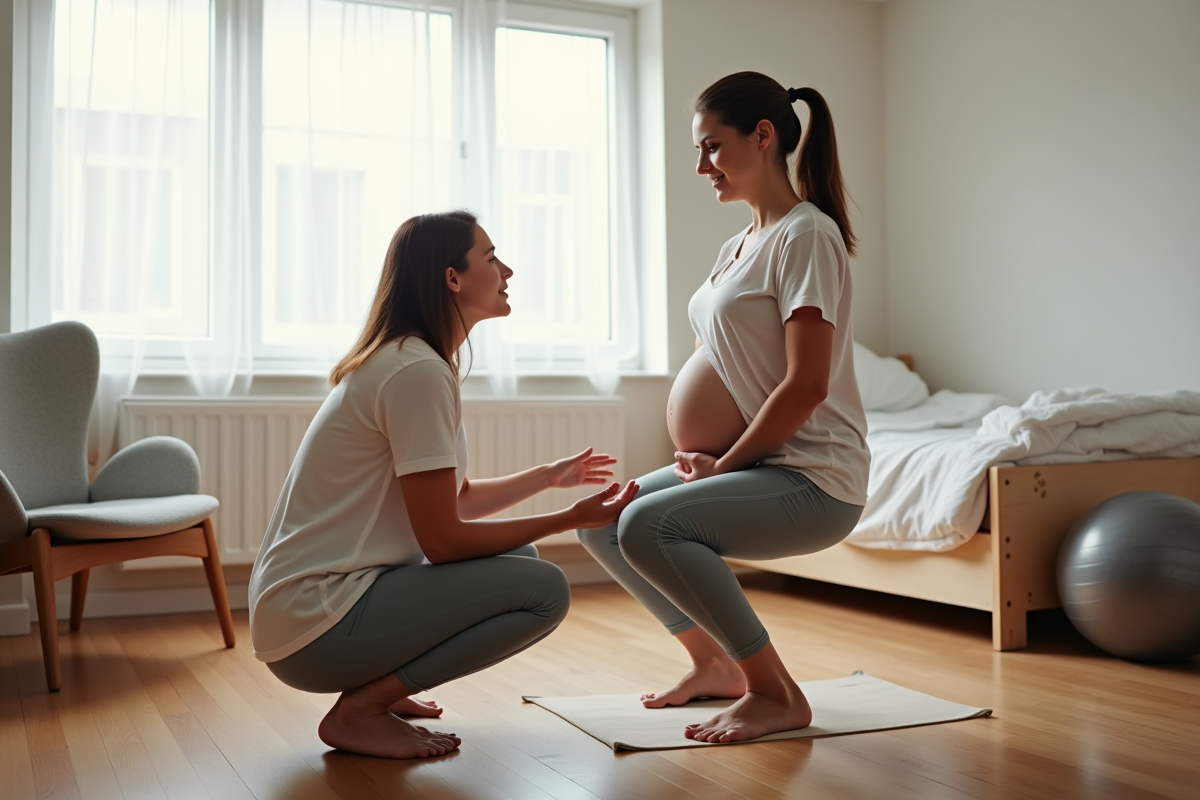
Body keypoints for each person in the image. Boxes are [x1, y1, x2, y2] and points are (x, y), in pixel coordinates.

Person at [249, 210, 639, 760]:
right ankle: (362, 707)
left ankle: (379, 687)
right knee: (545, 591)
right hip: (316, 625)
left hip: (312, 612)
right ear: (452, 278)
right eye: (490, 257)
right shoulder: (415, 372)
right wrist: (571, 518)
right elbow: (444, 541)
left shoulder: (413, 361)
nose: (507, 270)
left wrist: (550, 479)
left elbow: (452, 502)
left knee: (521, 559)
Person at [578, 73, 869, 744]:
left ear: (762, 136)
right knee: (603, 518)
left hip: (813, 475)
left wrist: (725, 465)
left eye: (712, 146)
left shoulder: (807, 236)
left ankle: (777, 694)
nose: (701, 166)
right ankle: (713, 663)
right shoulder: (738, 244)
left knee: (649, 525)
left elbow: (806, 385)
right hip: (757, 463)